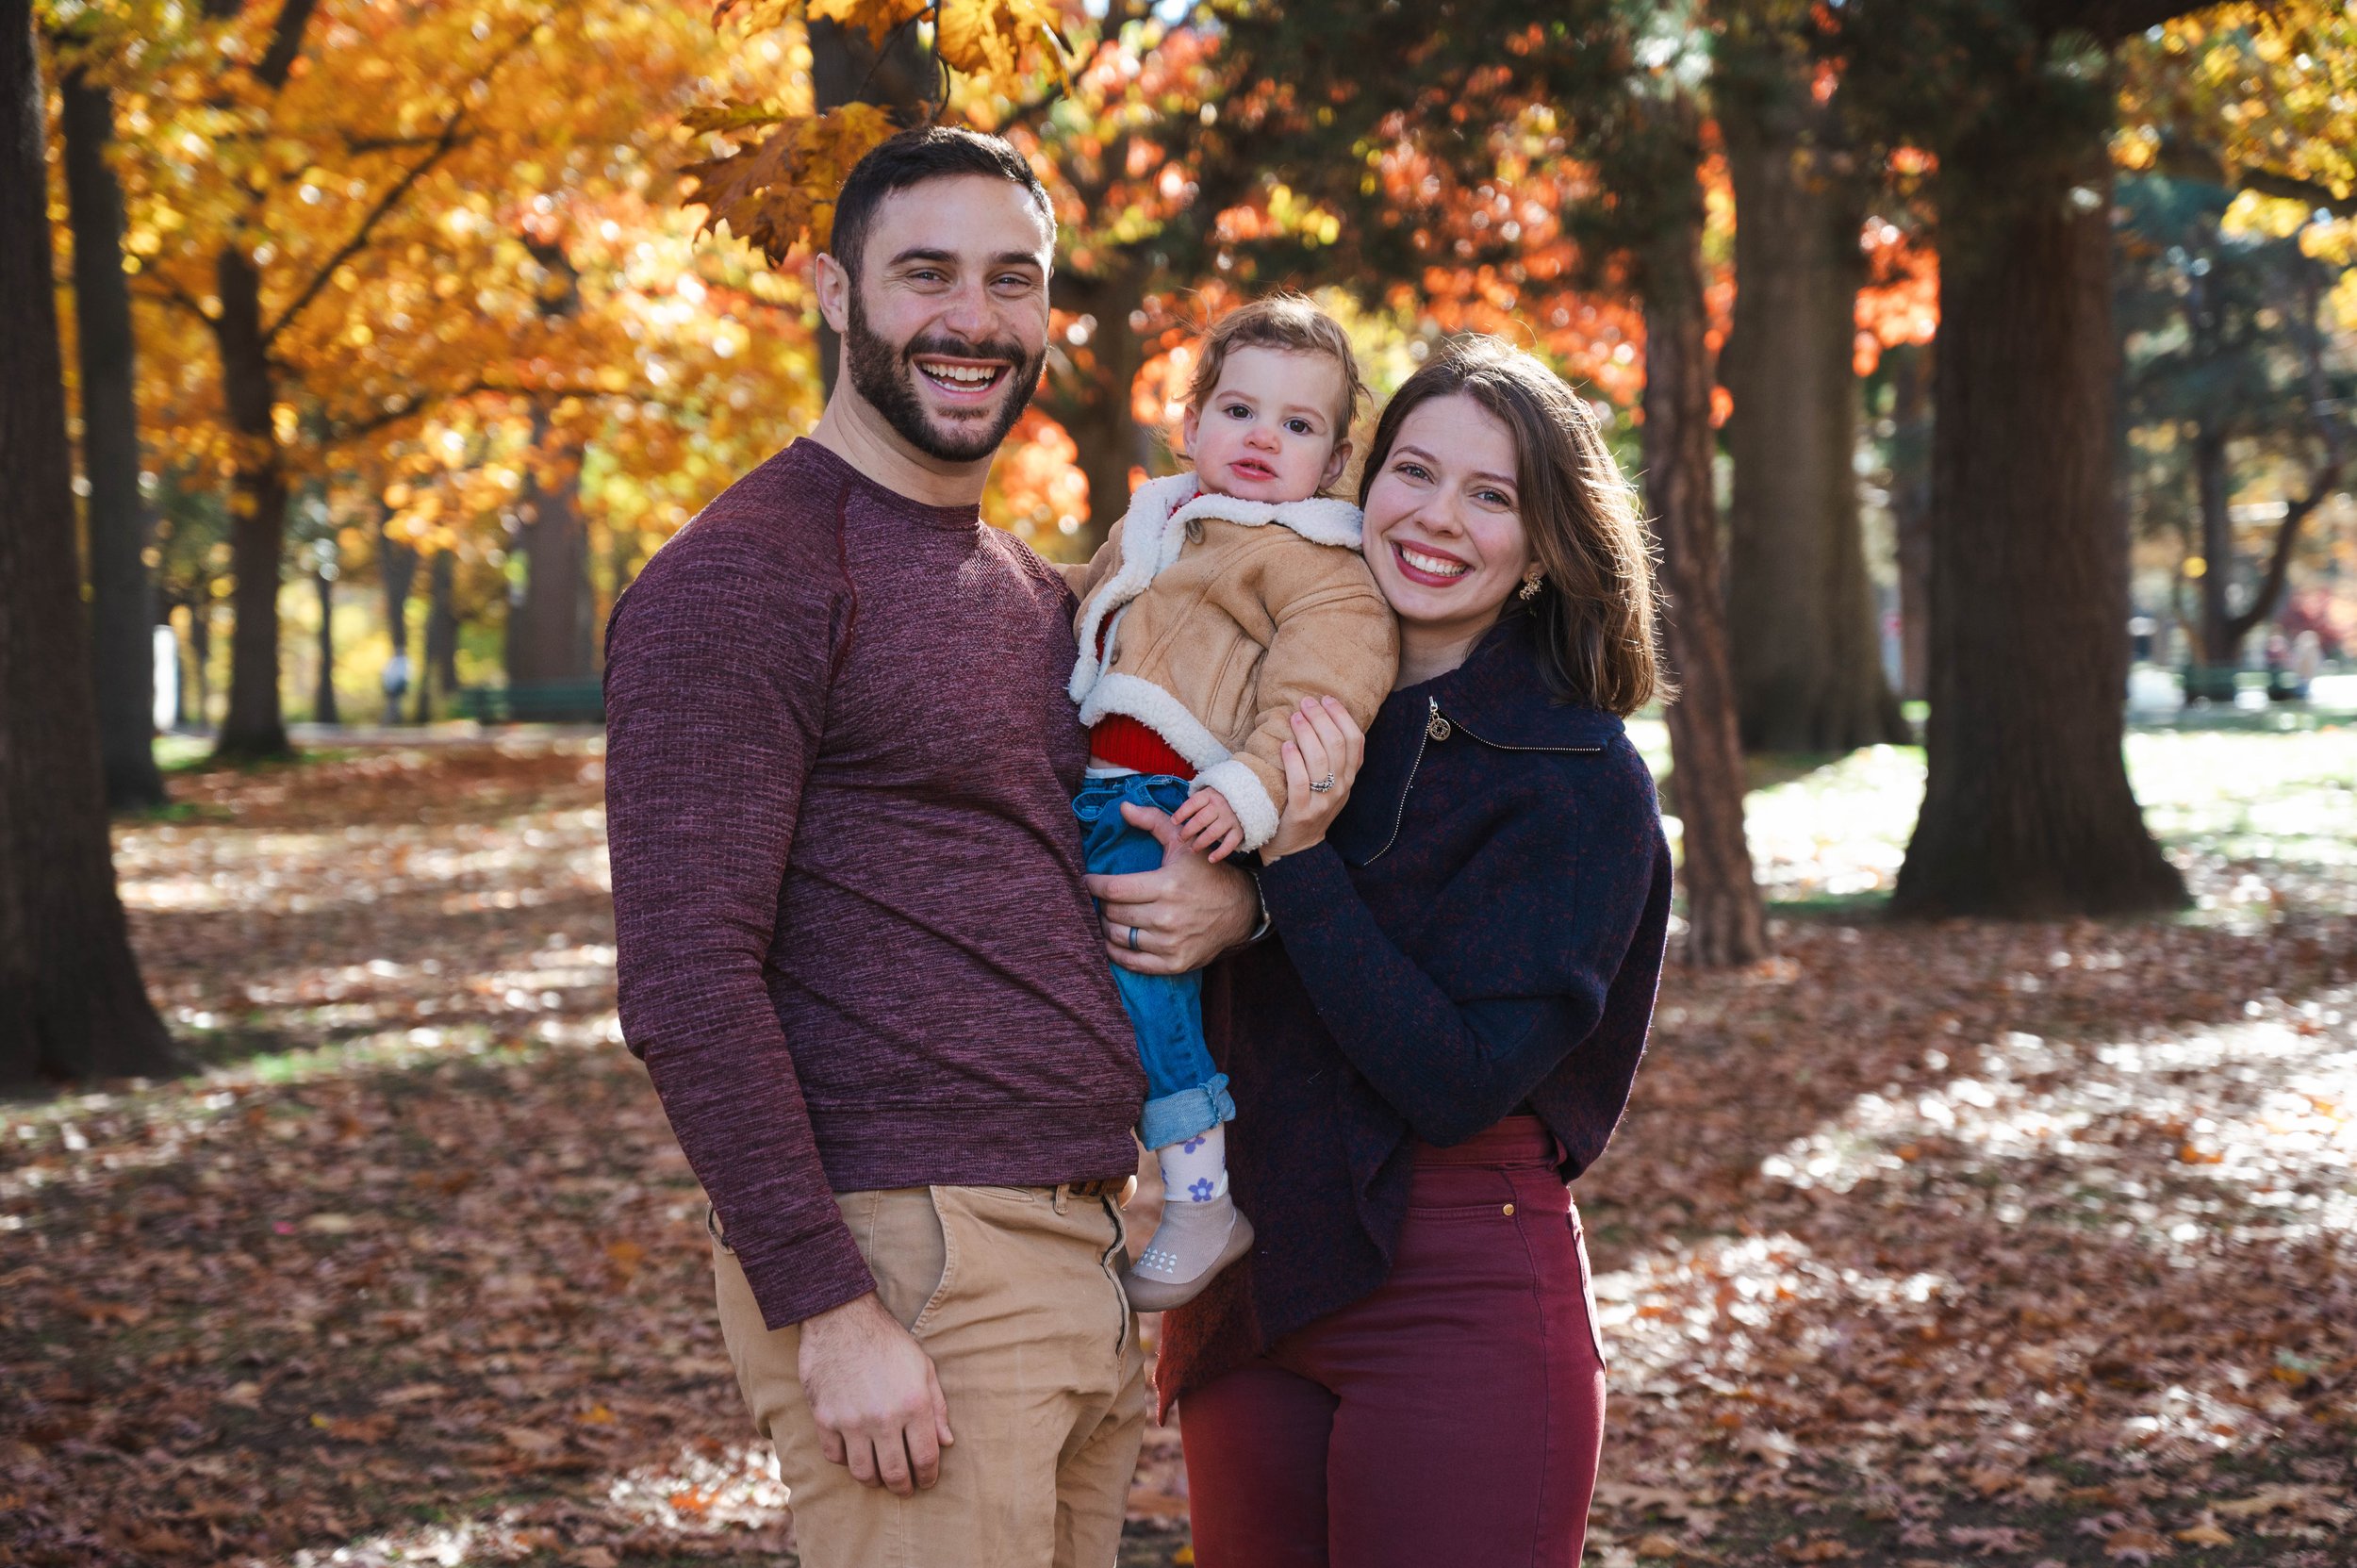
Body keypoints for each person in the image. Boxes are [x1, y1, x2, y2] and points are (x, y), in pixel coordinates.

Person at [602, 126, 1258, 1568]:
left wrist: (1232, 902)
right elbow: (687, 977)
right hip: (913, 1256)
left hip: (1080, 1243)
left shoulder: (1031, 589)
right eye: (926, 274)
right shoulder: (743, 578)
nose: (975, 318)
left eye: (1012, 280)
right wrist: (829, 1306)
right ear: (836, 291)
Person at [1151, 337, 1676, 1568]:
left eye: (1491, 495)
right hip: (1252, 1271)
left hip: (1453, 1281)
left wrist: (1292, 860)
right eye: (1414, 471)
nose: (1437, 517)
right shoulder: (1247, 707)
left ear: (1542, 545)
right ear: (1363, 480)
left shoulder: (1580, 782)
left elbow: (1454, 1078)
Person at [1063, 296, 1398, 1310]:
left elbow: (1322, 692)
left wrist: (1248, 790)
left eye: (1298, 425)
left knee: (1148, 973)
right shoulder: (1156, 521)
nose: (1263, 437)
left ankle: (1201, 1193)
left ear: (1334, 463)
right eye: (1240, 411)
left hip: (1179, 802)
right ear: (1191, 424)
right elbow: (1080, 599)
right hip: (1092, 785)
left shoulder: (1320, 568)